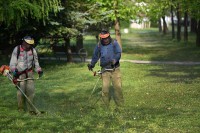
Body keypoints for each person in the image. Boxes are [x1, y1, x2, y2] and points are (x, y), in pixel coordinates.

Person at [87, 30, 124, 110]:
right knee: (105, 89)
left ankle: (120, 105)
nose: (105, 40)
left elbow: (118, 53)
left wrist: (115, 59)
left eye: (107, 38)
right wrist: (92, 64)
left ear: (109, 36)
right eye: (103, 38)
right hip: (105, 70)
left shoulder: (114, 43)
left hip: (115, 69)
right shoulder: (99, 45)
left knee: (117, 88)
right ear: (101, 38)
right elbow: (95, 56)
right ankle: (105, 106)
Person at [9, 36, 43, 114]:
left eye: (30, 44)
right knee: (21, 92)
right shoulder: (17, 49)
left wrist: (39, 70)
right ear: (24, 42)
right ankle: (20, 108)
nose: (29, 45)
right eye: (28, 44)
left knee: (31, 91)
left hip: (29, 73)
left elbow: (36, 62)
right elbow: (12, 63)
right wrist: (14, 71)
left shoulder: (32, 50)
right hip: (19, 74)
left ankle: (30, 109)